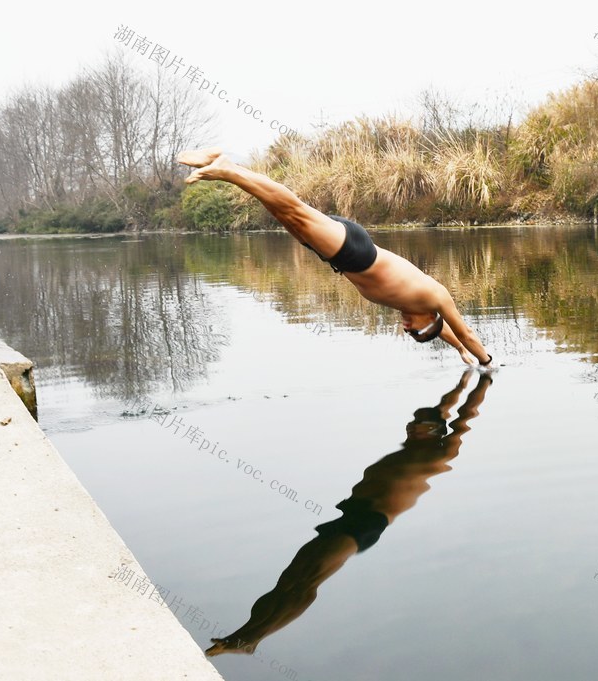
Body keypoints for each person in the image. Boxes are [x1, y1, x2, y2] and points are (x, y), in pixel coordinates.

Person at [204, 370, 492, 656]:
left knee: (307, 580)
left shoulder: (439, 454)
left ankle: (253, 638)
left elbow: (465, 416)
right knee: (290, 579)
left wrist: (483, 380)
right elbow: (441, 408)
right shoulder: (410, 446)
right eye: (412, 423)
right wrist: (462, 380)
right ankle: (248, 634)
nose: (414, 427)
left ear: (437, 431)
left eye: (423, 426)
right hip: (348, 518)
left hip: (367, 524)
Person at [176, 148, 493, 367]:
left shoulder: (412, 307)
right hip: (356, 250)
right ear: (430, 320)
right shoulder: (433, 296)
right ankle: (228, 169)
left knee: (283, 215)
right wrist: (484, 360)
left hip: (340, 259)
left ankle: (229, 166)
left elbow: (446, 333)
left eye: (409, 332)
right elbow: (462, 330)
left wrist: (459, 352)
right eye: (414, 330)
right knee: (295, 211)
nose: (407, 328)